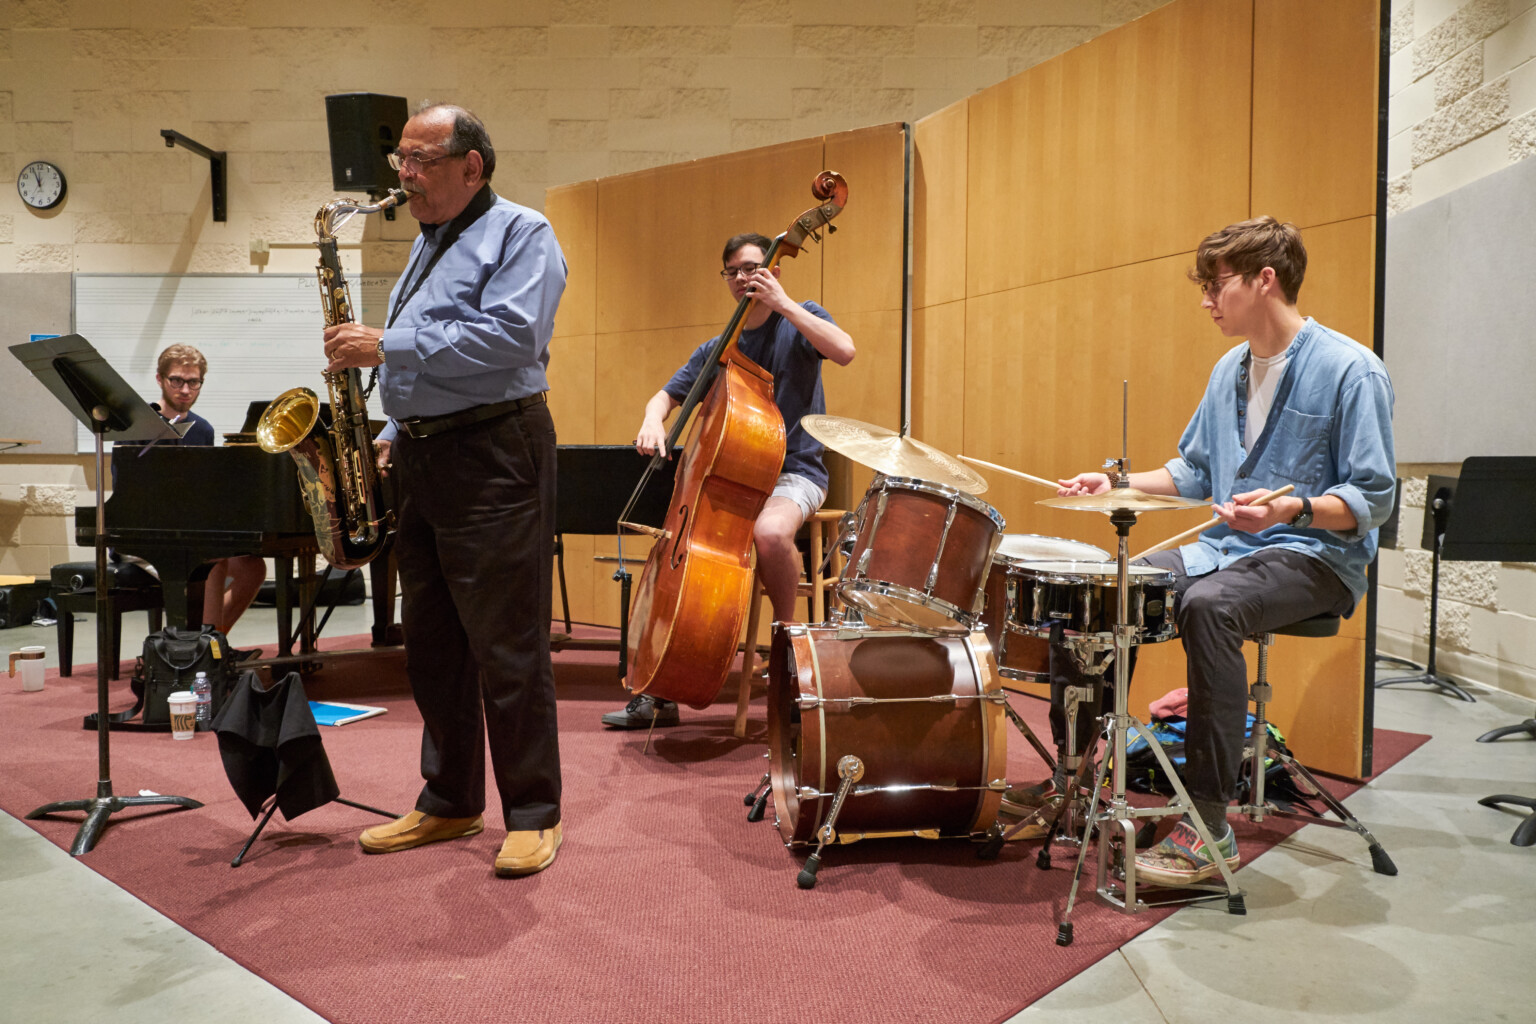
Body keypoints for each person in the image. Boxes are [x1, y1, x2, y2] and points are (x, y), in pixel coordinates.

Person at [1008, 216, 1394, 885]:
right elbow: (1191, 472)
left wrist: (1292, 506)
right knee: (1102, 589)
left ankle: (1209, 825)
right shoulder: (1228, 370)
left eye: (1217, 285)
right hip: (1227, 551)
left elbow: (1373, 500)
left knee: (1210, 608)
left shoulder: (1350, 370)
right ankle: (1071, 783)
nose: (1206, 300)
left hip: (1316, 558)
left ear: (1263, 279)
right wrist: (1118, 481)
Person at [322, 103, 568, 877]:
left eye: (422, 159)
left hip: (496, 449)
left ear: (472, 165)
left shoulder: (523, 231)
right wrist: (394, 429)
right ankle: (451, 802)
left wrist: (383, 343)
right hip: (426, 454)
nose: (405, 175)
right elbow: (433, 363)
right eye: (400, 159)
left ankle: (532, 812)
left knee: (507, 644)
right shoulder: (426, 242)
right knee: (432, 645)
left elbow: (512, 338)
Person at [601, 232, 856, 728]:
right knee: (672, 560)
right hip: (730, 483)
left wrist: (784, 305)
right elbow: (664, 397)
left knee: (769, 532)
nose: (743, 278)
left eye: (753, 268)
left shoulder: (798, 319)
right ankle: (660, 686)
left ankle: (789, 654)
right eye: (733, 272)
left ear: (774, 271)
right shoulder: (718, 348)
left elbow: (845, 350)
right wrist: (653, 419)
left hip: (794, 473)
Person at [113, 344, 267, 638]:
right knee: (211, 558)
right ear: (160, 380)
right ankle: (203, 646)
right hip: (143, 533)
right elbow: (127, 493)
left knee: (252, 567)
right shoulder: (135, 424)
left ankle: (211, 641)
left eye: (193, 382)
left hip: (187, 531)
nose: (185, 390)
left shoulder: (202, 429)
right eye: (177, 381)